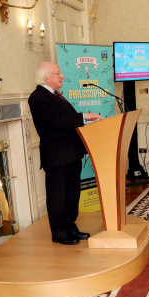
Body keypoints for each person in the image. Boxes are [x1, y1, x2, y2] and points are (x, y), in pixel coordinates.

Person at [28, 62, 102, 245]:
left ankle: (70, 227)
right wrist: (84, 116)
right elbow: (55, 121)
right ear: (46, 78)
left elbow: (67, 121)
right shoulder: (37, 97)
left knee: (71, 195)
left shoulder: (56, 95)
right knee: (58, 196)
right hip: (57, 157)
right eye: (58, 73)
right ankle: (59, 233)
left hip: (71, 153)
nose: (62, 76)